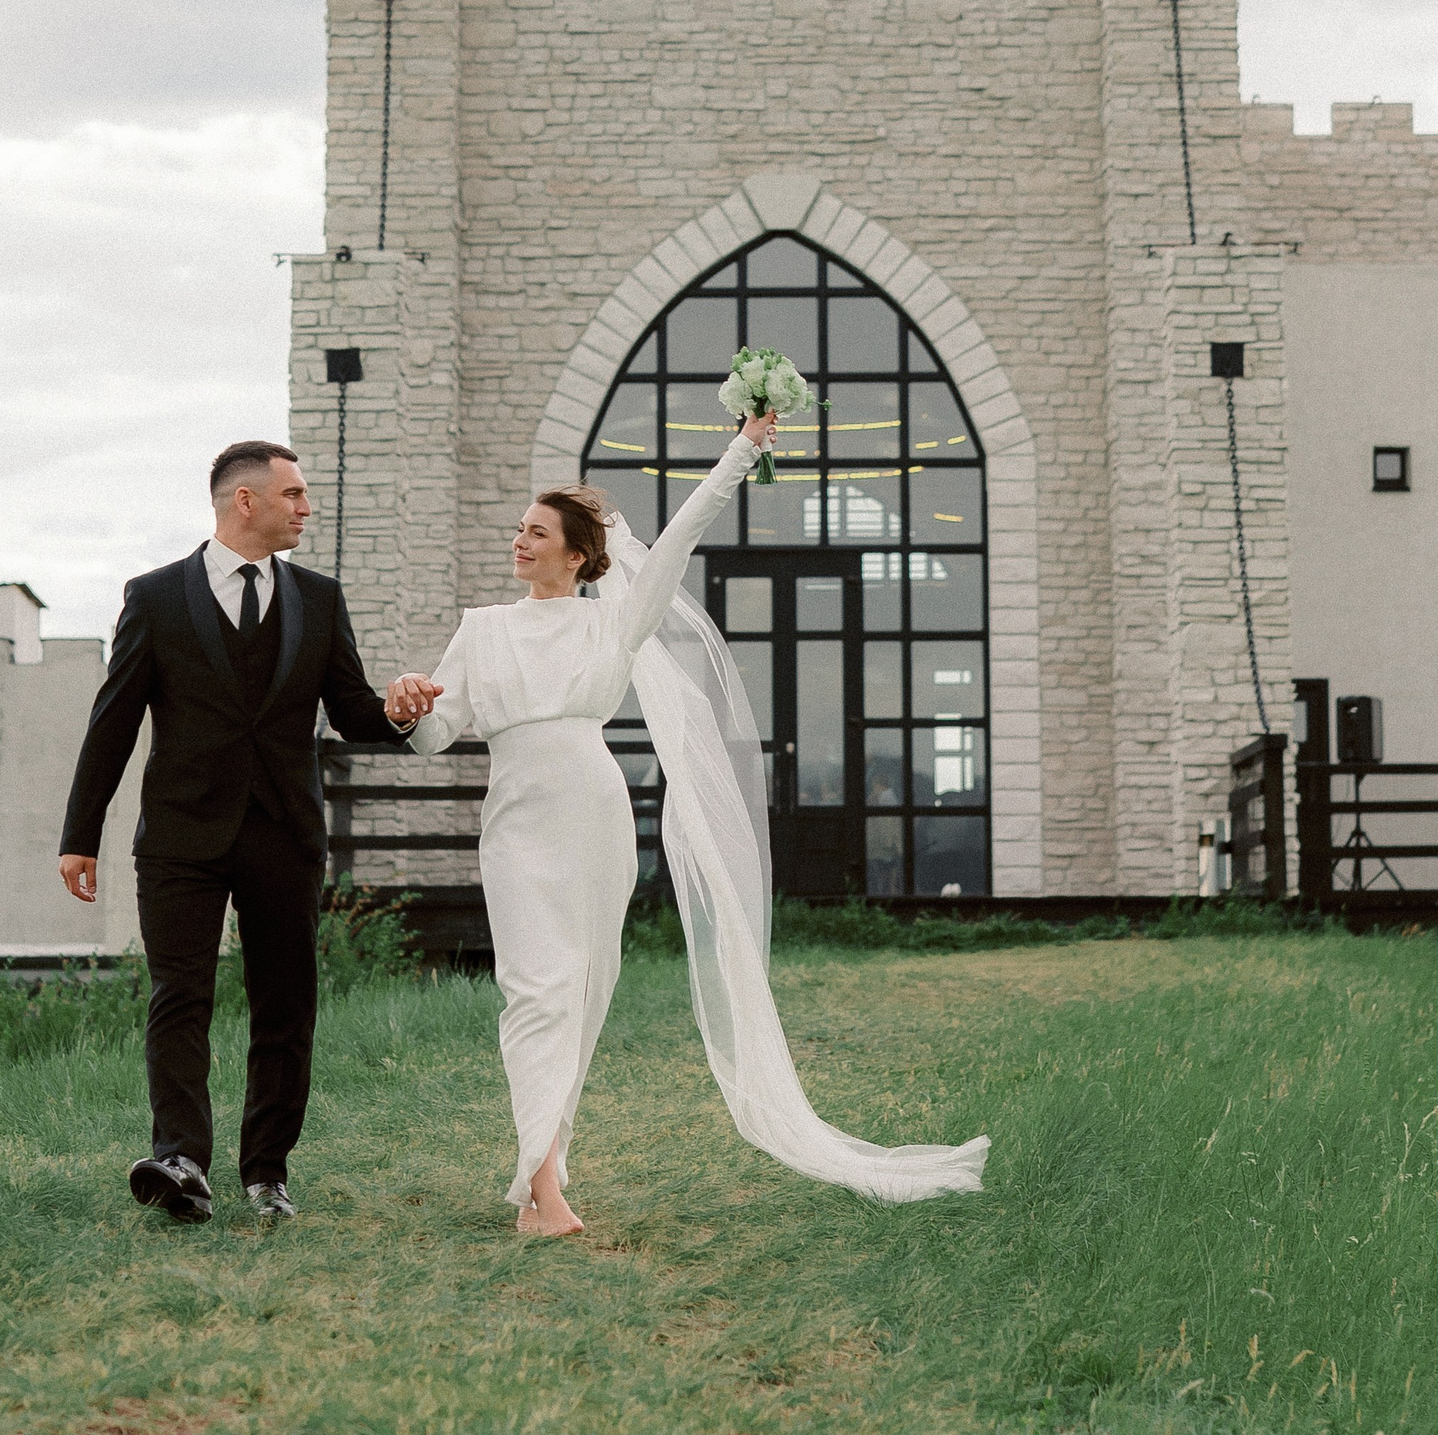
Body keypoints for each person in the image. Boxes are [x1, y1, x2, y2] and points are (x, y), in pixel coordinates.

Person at [389, 414, 989, 1234]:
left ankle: (544, 1171)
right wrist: (407, 702)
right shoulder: (481, 629)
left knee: (584, 991)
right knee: (535, 989)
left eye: (536, 532)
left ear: (578, 554)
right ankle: (542, 1190)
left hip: (594, 817)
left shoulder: (614, 621)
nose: (519, 541)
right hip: (518, 824)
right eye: (519, 529)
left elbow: (682, 534)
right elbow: (432, 734)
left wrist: (742, 448)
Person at [59, 439, 437, 1223]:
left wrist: (399, 709)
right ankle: (181, 1160)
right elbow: (114, 719)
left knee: (285, 1004)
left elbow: (352, 710)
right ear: (246, 500)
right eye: (293, 494)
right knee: (179, 996)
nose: (306, 507)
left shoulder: (320, 598)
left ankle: (267, 1172)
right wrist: (80, 833)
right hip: (179, 834)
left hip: (284, 831)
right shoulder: (155, 596)